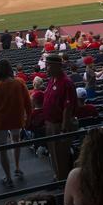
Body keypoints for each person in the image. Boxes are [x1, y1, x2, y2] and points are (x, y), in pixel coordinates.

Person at [0, 59, 32, 187]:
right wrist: (28, 119)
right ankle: (17, 167)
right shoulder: (20, 82)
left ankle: (8, 177)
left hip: (0, 123)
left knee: (3, 150)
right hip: (17, 120)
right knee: (16, 142)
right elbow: (28, 104)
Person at [43, 53, 77, 181]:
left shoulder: (66, 83)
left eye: (48, 66)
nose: (46, 68)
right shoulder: (52, 79)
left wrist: (63, 129)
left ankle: (62, 182)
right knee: (54, 153)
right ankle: (58, 175)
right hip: (50, 124)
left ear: (57, 66)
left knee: (60, 155)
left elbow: (67, 108)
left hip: (59, 126)